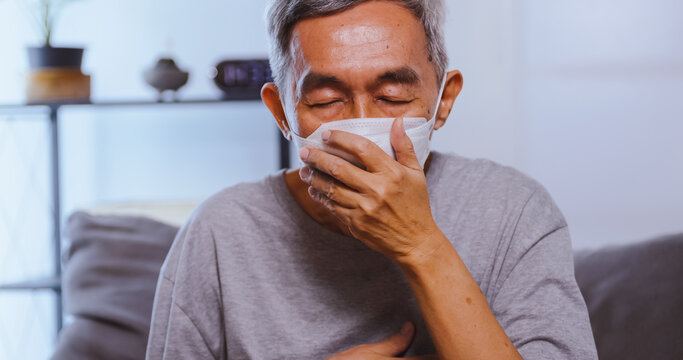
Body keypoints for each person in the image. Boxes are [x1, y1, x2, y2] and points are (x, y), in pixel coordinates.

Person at [146, 1, 598, 359]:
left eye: (392, 96)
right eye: (325, 100)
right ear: (281, 112)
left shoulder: (513, 211)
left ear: (443, 101)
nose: (360, 128)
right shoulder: (220, 233)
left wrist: (420, 245)